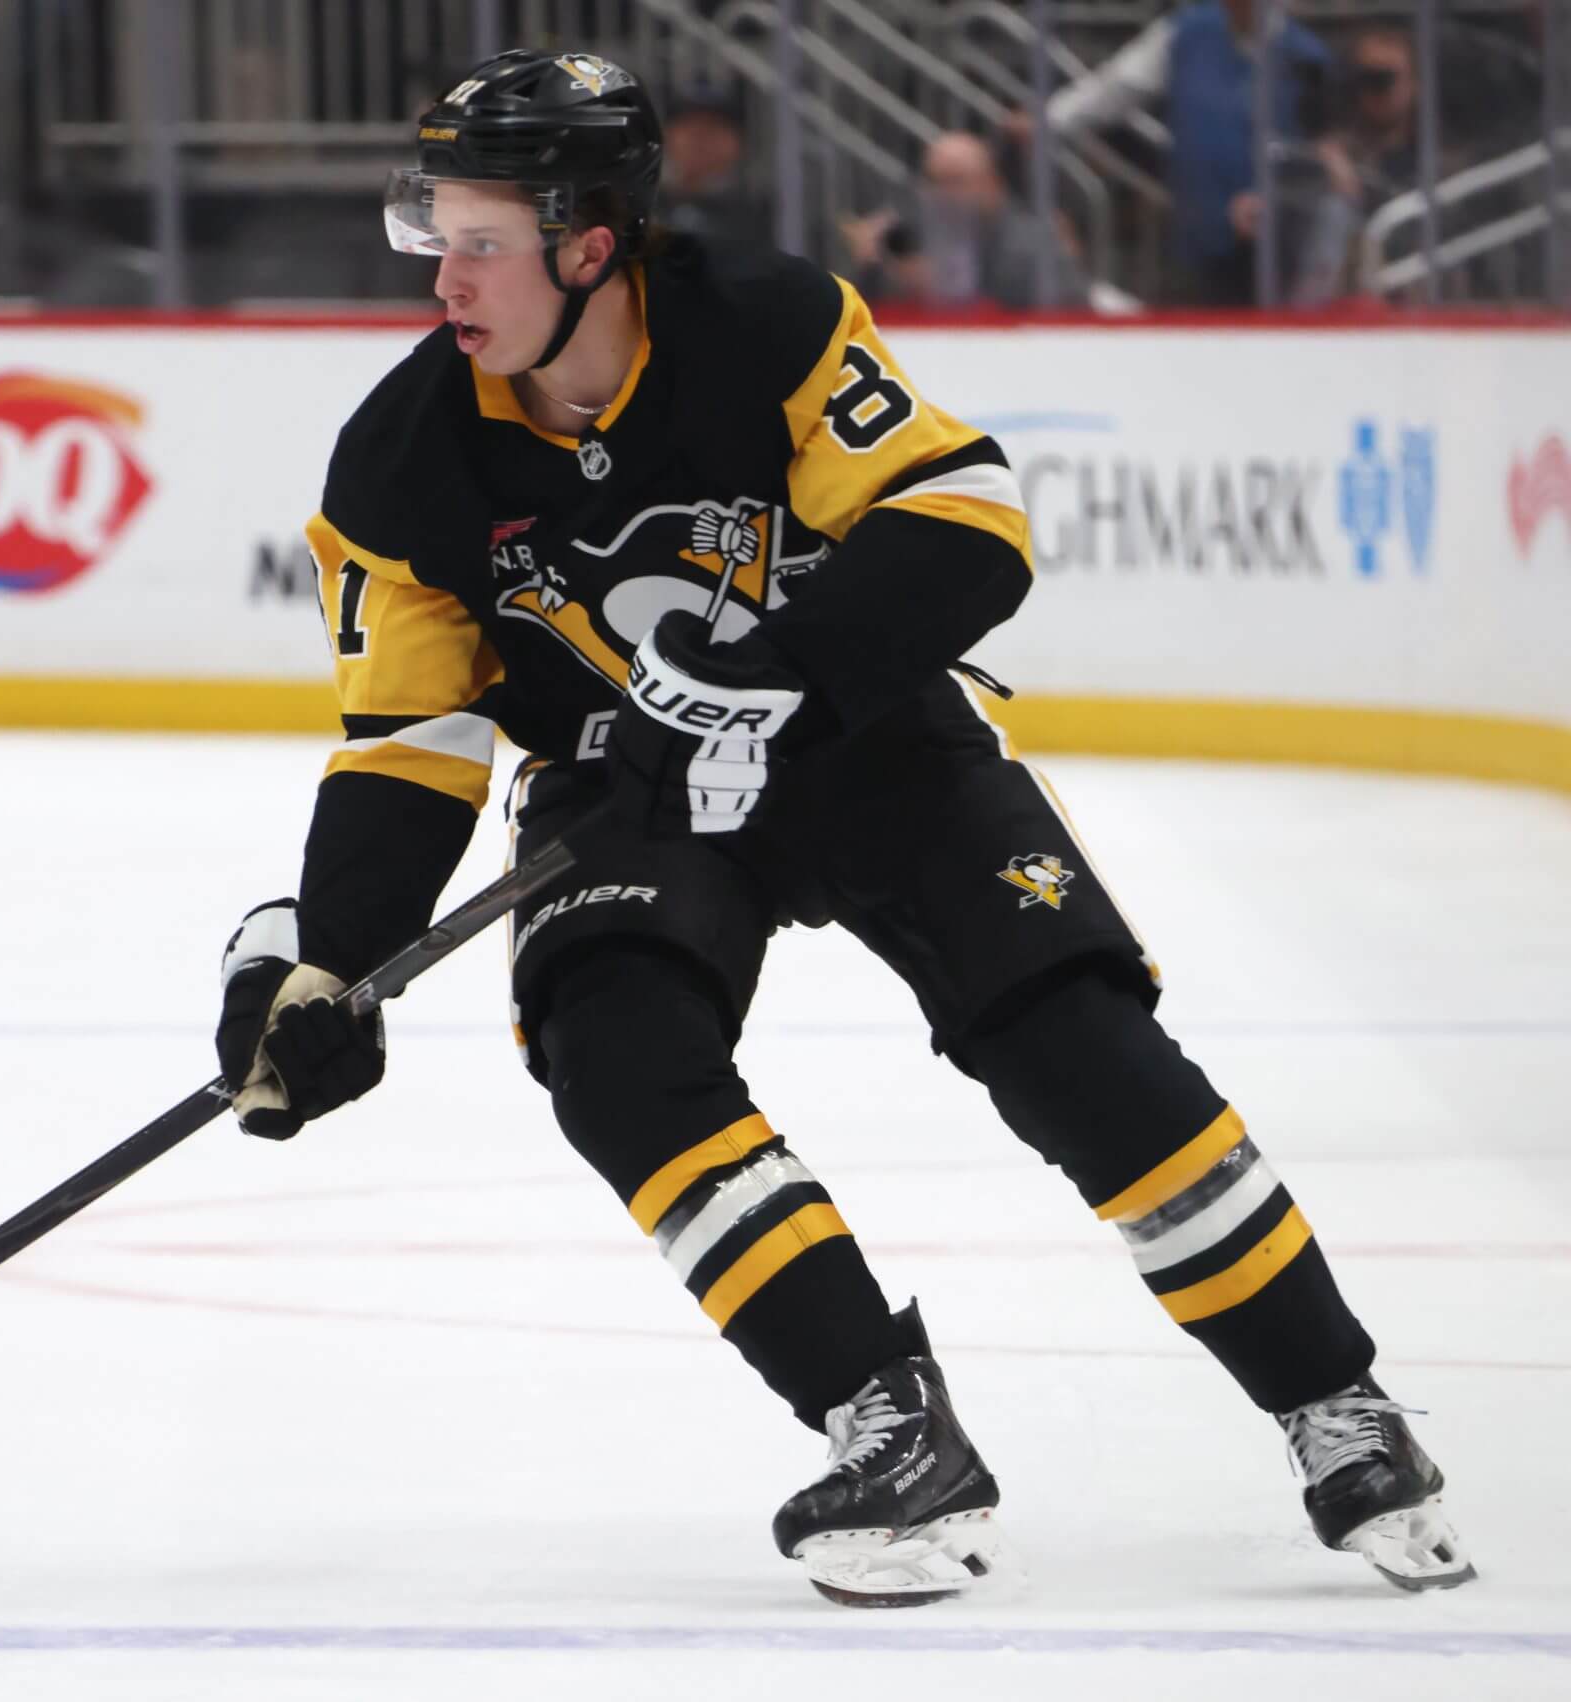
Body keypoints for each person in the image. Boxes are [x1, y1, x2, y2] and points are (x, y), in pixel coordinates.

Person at [215, 49, 1474, 1605]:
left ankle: (1333, 1402)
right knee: (612, 1052)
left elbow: (969, 520)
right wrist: (323, 959)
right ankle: (889, 1426)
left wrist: (774, 670)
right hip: (637, 787)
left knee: (1076, 1044)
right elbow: (411, 741)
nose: (442, 277)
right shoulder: (400, 458)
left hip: (865, 732)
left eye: (478, 238)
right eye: (435, 232)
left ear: (589, 241)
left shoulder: (769, 323)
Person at [1022, 0, 1333, 304]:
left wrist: (1277, 197)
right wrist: (1049, 119)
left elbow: (1323, 153)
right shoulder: (1186, 32)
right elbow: (1116, 88)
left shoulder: (1306, 56)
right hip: (1198, 237)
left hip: (1279, 249)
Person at [842, 131, 1091, 310]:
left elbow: (1068, 309)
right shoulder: (907, 233)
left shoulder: (1034, 239)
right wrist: (876, 268)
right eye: (933, 181)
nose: (943, 194)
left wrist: (937, 290)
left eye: (956, 181)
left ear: (992, 185)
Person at [656, 86, 770, 250]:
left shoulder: (763, 213)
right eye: (688, 126)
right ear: (666, 136)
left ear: (738, 143)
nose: (700, 138)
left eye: (714, 127)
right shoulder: (642, 206)